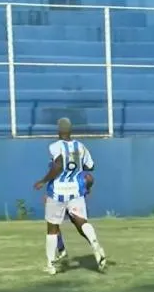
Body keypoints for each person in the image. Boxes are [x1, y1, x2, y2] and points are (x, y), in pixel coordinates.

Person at [33, 118, 106, 275]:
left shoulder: (55, 146)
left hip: (57, 191)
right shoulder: (81, 146)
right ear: (71, 130)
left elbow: (58, 165)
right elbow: (90, 166)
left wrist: (43, 181)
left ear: (59, 130)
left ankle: (50, 264)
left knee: (52, 227)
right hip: (76, 190)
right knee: (81, 221)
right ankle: (95, 244)